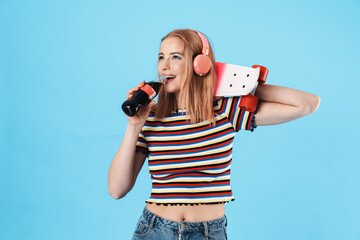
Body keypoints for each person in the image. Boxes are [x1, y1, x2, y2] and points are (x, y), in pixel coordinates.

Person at [108, 29, 320, 240]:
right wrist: (134, 126)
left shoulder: (225, 111)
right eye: (161, 57)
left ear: (199, 64)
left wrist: (244, 85)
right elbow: (117, 190)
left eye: (175, 57)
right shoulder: (151, 118)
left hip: (208, 232)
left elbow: (307, 104)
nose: (164, 66)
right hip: (154, 229)